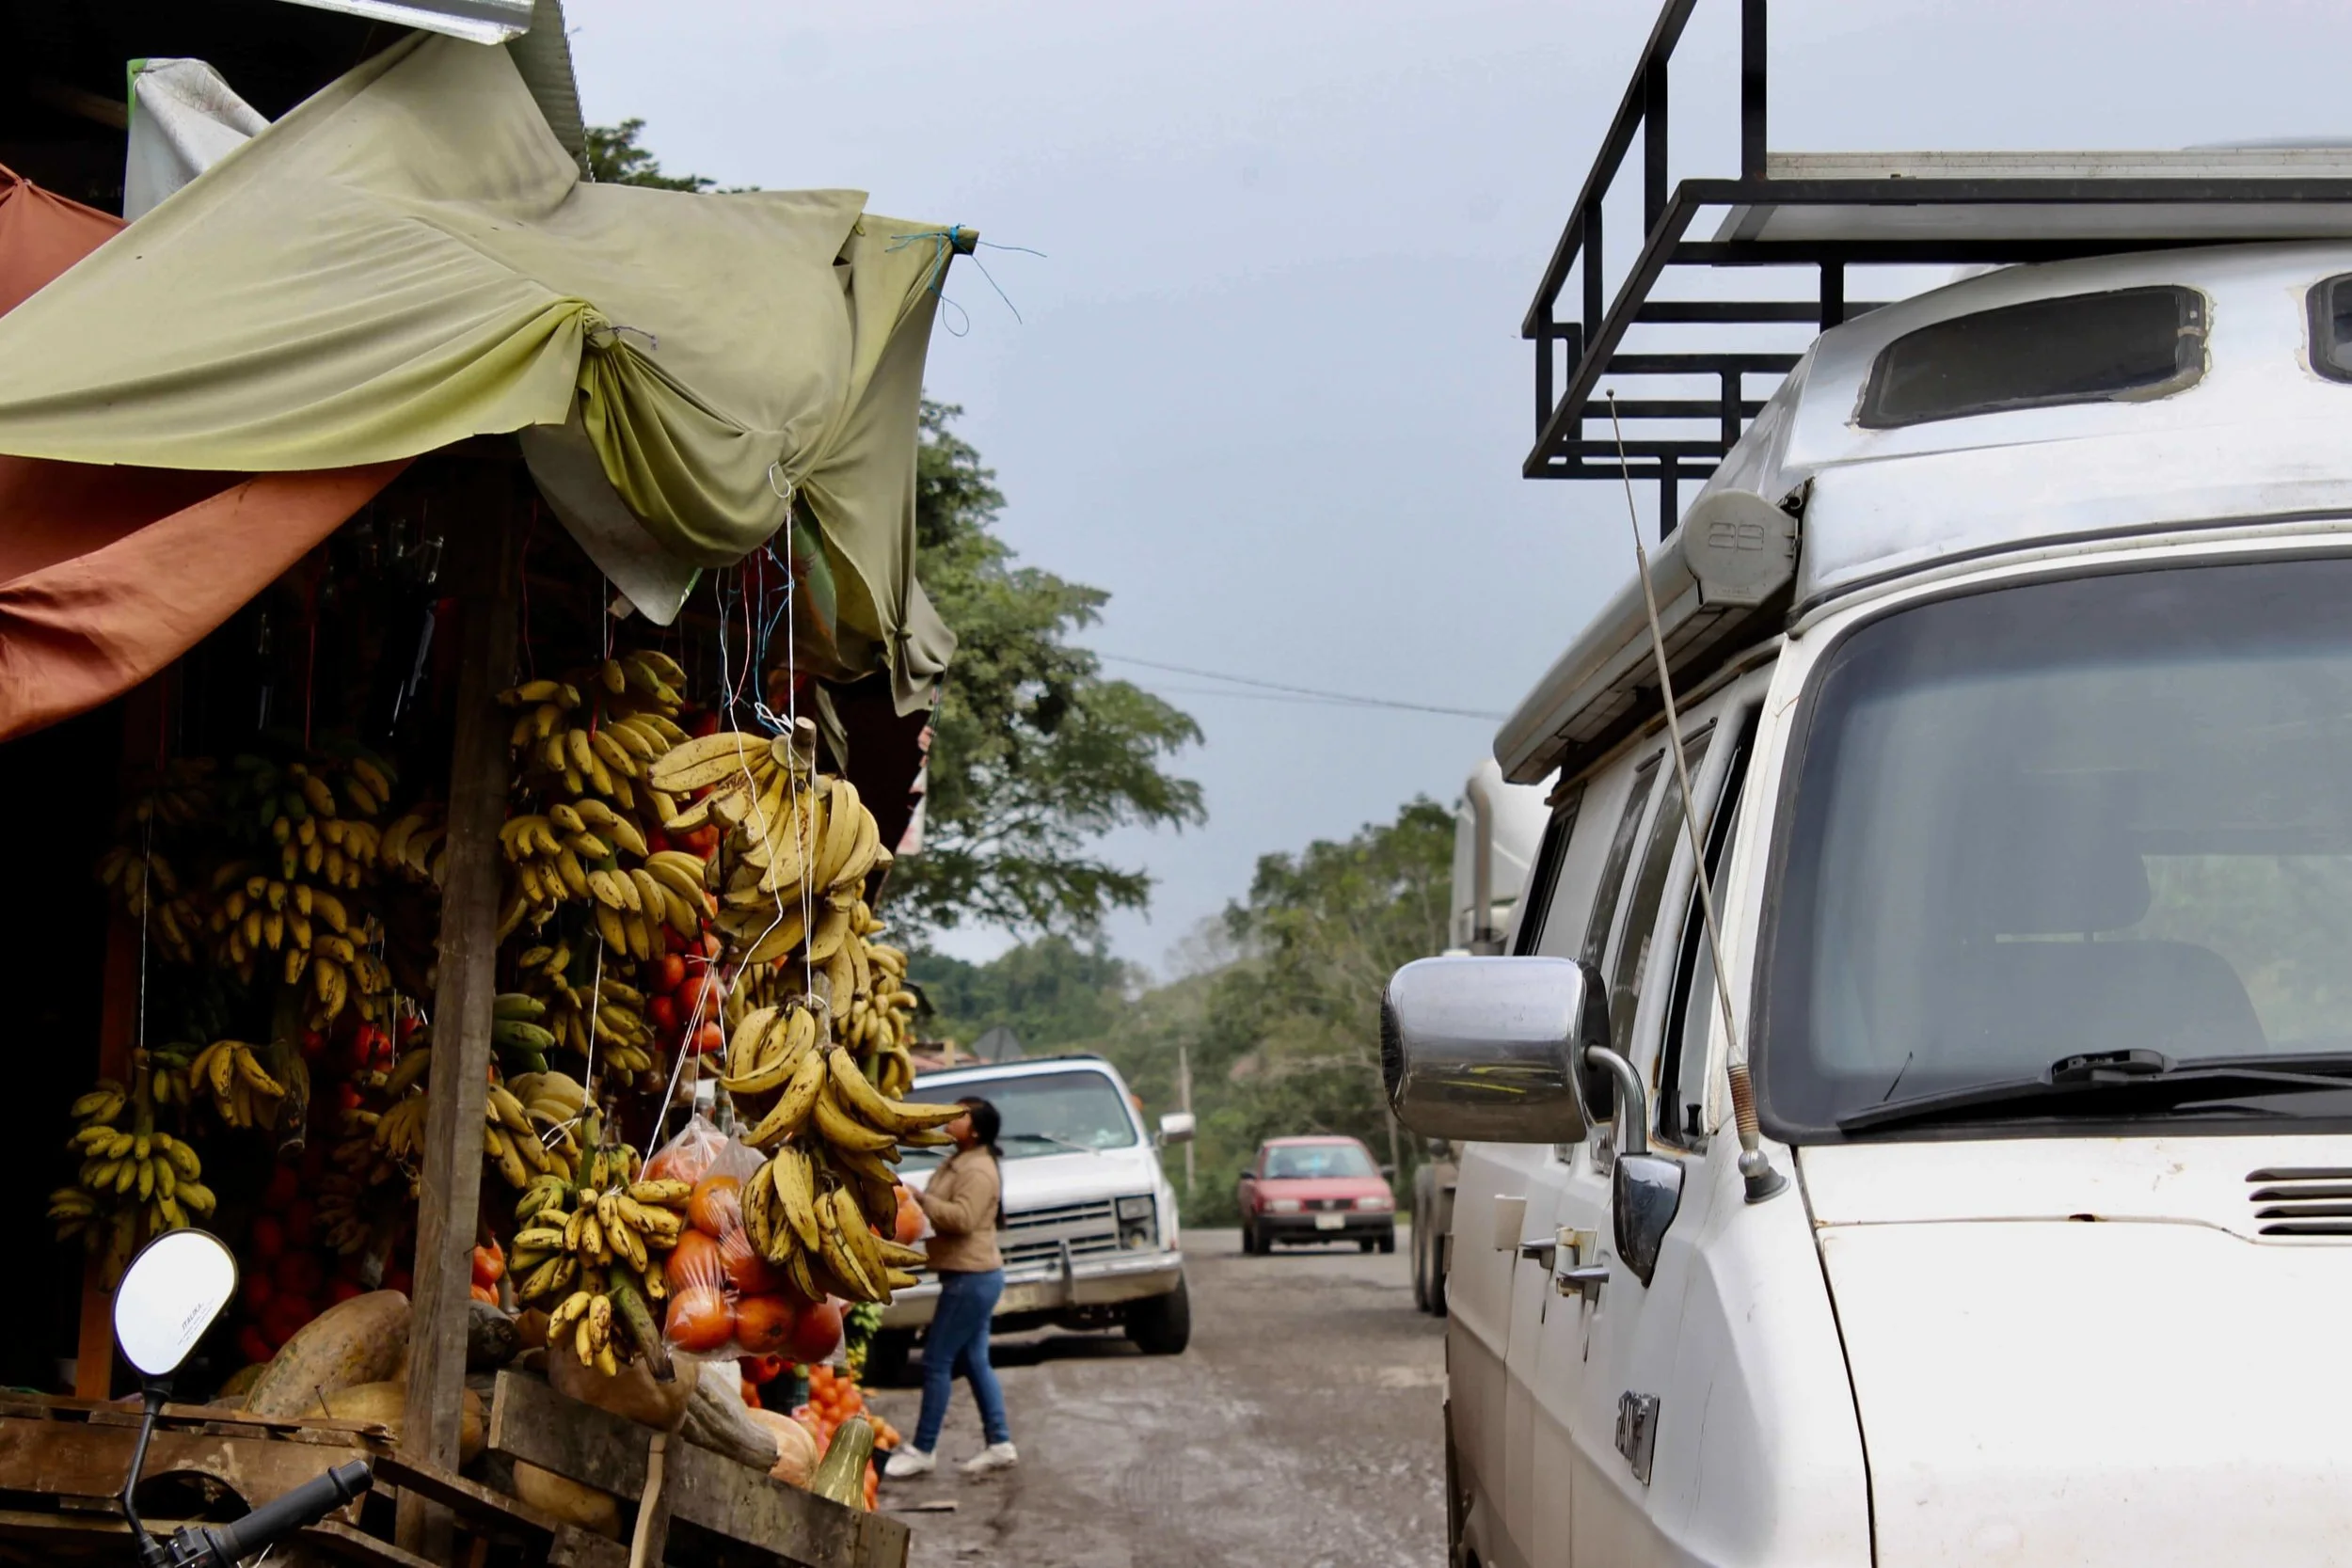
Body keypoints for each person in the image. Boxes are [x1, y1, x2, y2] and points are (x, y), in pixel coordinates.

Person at [883, 1096, 1017, 1478]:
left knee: (936, 1360)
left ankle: (924, 1449)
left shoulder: (978, 1170)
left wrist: (920, 1199)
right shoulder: (961, 1160)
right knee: (975, 1361)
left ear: (974, 1130)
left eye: (958, 1116)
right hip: (968, 1275)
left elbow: (963, 1219)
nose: (948, 1118)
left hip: (972, 1278)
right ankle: (1000, 1442)